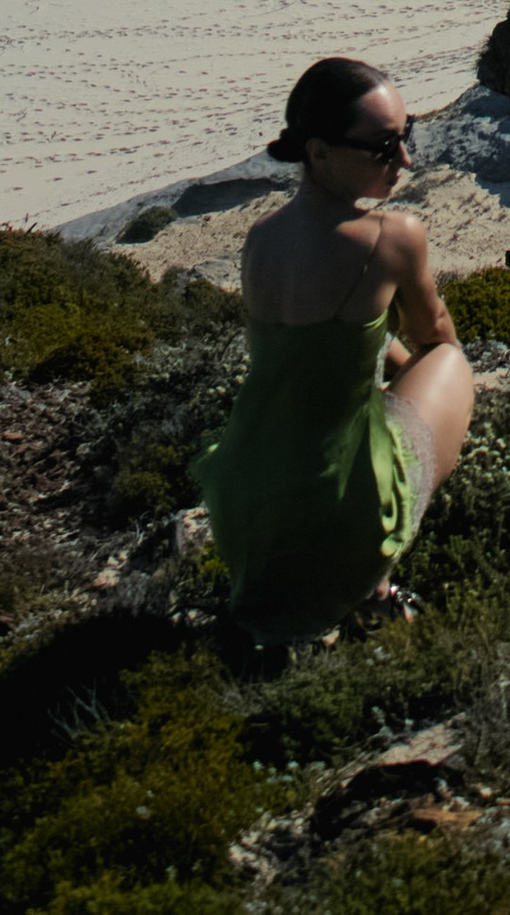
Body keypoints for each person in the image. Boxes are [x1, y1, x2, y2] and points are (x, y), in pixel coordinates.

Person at [193, 55, 476, 642]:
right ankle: (374, 578)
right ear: (319, 153)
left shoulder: (261, 240)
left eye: (406, 136)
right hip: (335, 506)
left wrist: (387, 364)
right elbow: (436, 340)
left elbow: (326, 354)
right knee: (451, 364)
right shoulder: (392, 238)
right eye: (382, 146)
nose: (404, 159)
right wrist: (405, 372)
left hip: (245, 498)